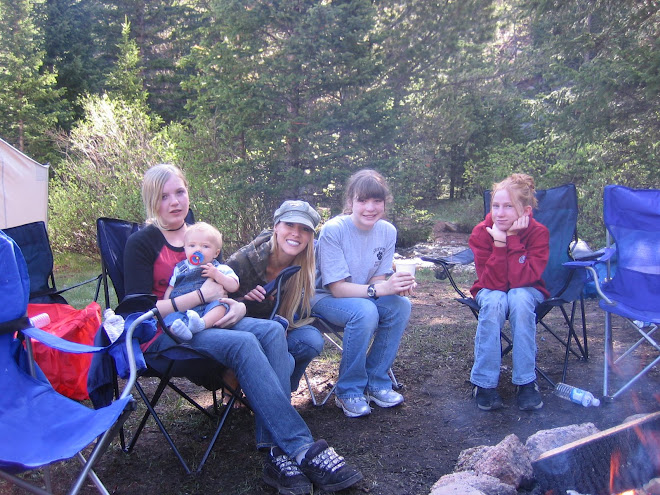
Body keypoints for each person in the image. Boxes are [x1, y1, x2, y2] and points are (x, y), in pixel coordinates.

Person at [123, 164, 362, 494]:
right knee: (244, 344)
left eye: (180, 192)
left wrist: (235, 304)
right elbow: (137, 312)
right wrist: (197, 296)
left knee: (273, 331)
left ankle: (275, 450)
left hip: (211, 315)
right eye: (164, 197)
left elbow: (225, 282)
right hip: (167, 332)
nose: (175, 202)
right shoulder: (142, 243)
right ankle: (299, 446)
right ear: (152, 200)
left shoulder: (199, 232)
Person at [312, 169, 415, 418]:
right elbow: (336, 288)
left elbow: (377, 280)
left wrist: (396, 285)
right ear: (351, 203)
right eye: (362, 200)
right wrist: (381, 289)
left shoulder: (387, 231)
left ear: (385, 202)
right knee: (366, 310)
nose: (370, 208)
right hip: (323, 298)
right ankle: (348, 390)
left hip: (360, 297)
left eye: (376, 201)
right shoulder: (334, 230)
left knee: (401, 305)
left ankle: (376, 382)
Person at [468, 173, 549, 412]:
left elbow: (522, 279)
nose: (500, 213)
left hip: (528, 289)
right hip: (490, 289)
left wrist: (511, 239)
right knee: (494, 300)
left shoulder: (538, 232)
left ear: (524, 210)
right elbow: (492, 282)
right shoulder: (482, 231)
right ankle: (483, 384)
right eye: (495, 206)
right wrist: (499, 244)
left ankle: (526, 382)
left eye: (508, 207)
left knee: (520, 296)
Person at [226, 200, 325, 392]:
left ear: (310, 237)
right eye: (289, 224)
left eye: (304, 229)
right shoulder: (244, 259)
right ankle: (236, 382)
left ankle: (278, 391)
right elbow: (214, 302)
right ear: (276, 227)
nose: (296, 233)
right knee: (284, 360)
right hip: (238, 334)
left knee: (311, 340)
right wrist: (244, 300)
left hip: (276, 332)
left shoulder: (303, 267)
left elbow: (291, 311)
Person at [163, 221, 239, 341]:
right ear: (185, 248)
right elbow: (171, 288)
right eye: (192, 246)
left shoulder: (219, 268)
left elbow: (234, 286)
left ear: (216, 253)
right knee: (171, 319)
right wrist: (167, 304)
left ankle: (201, 324)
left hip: (208, 308)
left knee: (221, 306)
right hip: (184, 307)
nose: (198, 250)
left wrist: (217, 275)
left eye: (205, 246)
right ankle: (181, 331)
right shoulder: (180, 268)